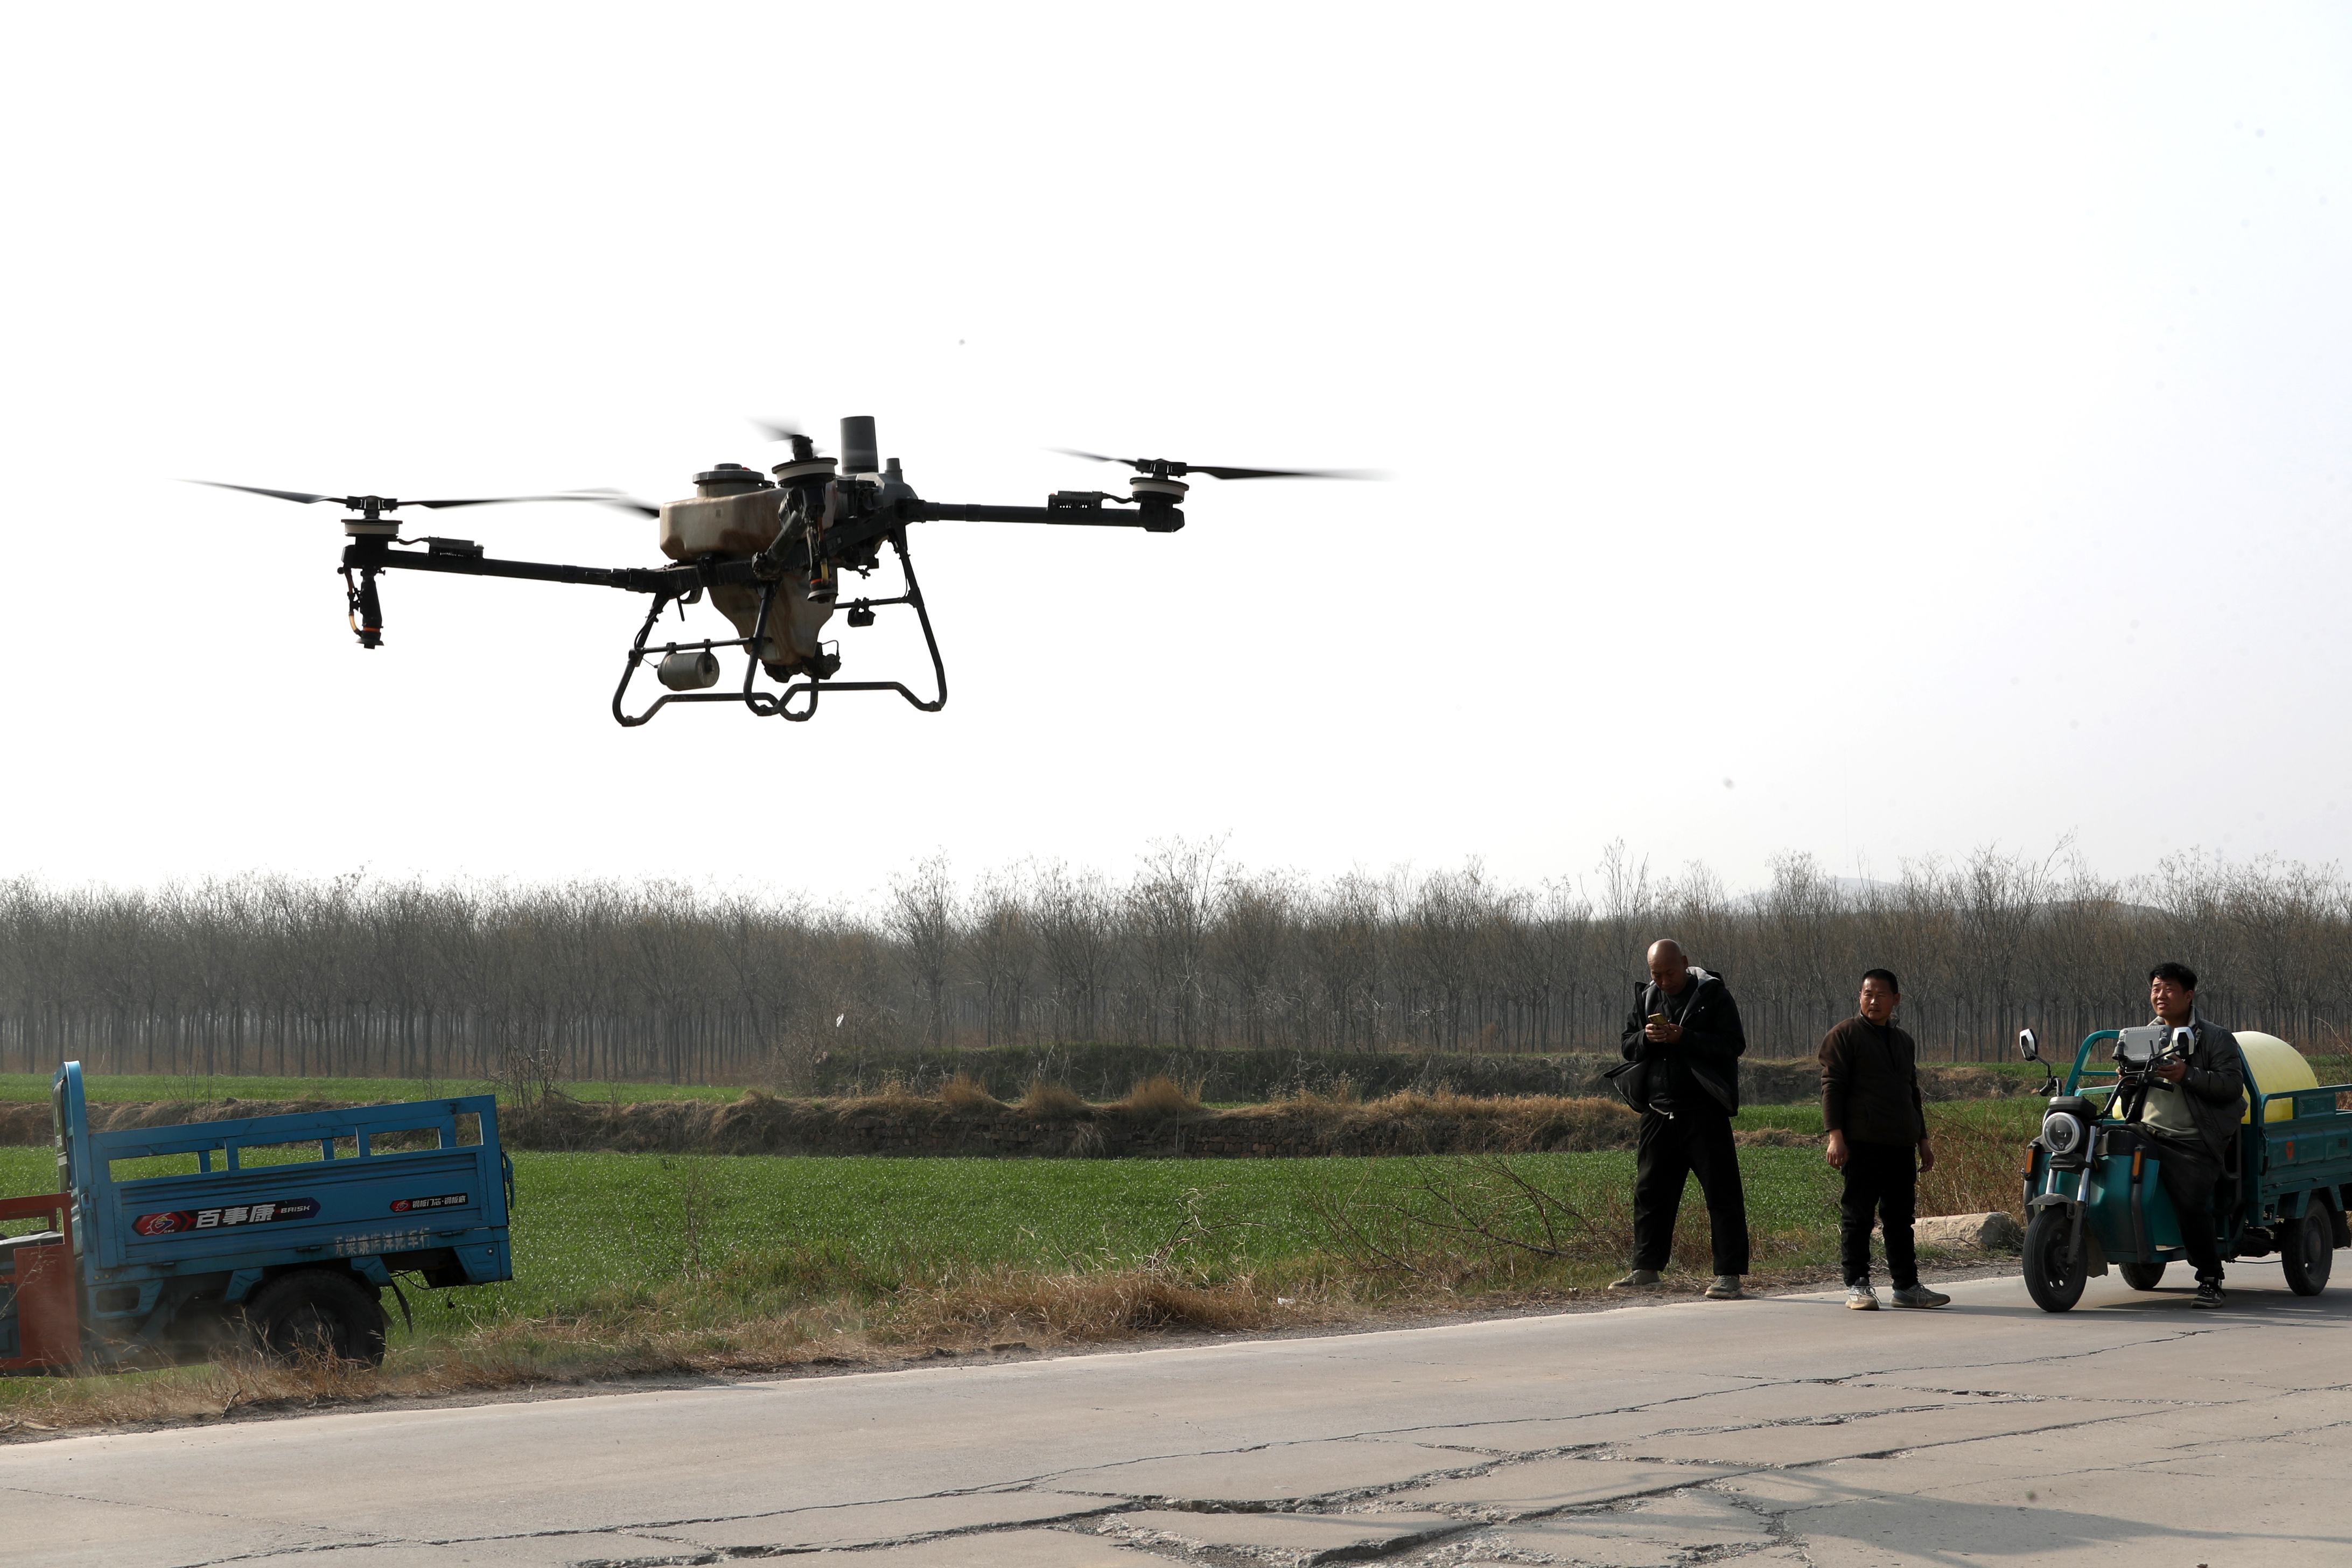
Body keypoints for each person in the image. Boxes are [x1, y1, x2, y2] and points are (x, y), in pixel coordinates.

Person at [1611, 938, 1751, 1300]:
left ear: (1685, 964)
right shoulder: (1647, 998)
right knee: (1650, 1193)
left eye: (1669, 973)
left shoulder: (1713, 995)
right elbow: (1627, 1044)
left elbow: (1733, 1044)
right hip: (1658, 1111)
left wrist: (1684, 1037)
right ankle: (1646, 1268)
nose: (1663, 981)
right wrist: (1649, 1037)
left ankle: (1728, 1274)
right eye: (1656, 974)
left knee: (1722, 1194)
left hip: (1704, 1111)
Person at [1819, 969, 1950, 1310]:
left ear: (1896, 999)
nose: (1873, 1001)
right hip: (1861, 1142)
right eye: (1867, 994)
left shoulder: (1903, 1041)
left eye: (1880, 995)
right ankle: (1858, 1286)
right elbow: (1831, 1088)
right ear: (1859, 997)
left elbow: (1911, 1092)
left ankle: (1907, 1286)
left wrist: (1923, 1140)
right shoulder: (1843, 1036)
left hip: (1900, 1144)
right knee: (1858, 1216)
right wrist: (1836, 1137)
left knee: (1899, 1218)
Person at [2135, 961, 2244, 1308]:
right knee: (2103, 1165)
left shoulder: (2215, 1037)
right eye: (2155, 988)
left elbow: (2231, 1087)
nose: (2160, 995)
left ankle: (2210, 1279)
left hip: (2194, 1140)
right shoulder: (2144, 1034)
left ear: (2188, 995)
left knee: (2190, 1203)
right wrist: (2129, 1072)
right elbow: (2130, 1090)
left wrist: (2187, 1075)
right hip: (2147, 1131)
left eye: (2168, 989)